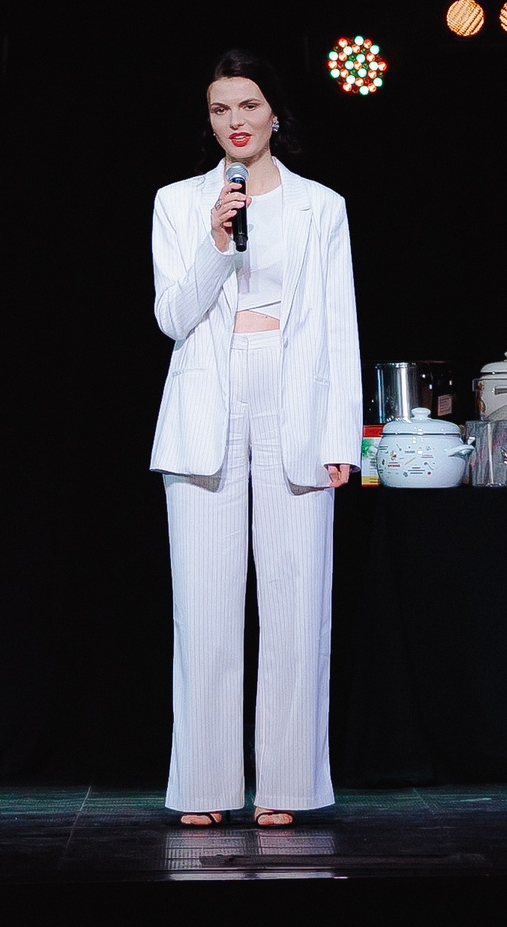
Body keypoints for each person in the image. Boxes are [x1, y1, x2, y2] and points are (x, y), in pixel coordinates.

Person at [149, 49, 362, 827]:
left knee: (297, 605)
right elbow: (173, 317)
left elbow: (339, 326)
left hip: (293, 398)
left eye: (247, 105)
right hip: (207, 401)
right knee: (204, 610)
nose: (235, 122)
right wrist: (215, 241)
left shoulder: (322, 207)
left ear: (275, 112)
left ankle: (289, 787)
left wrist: (343, 437)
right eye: (220, 109)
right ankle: (204, 787)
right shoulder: (179, 202)